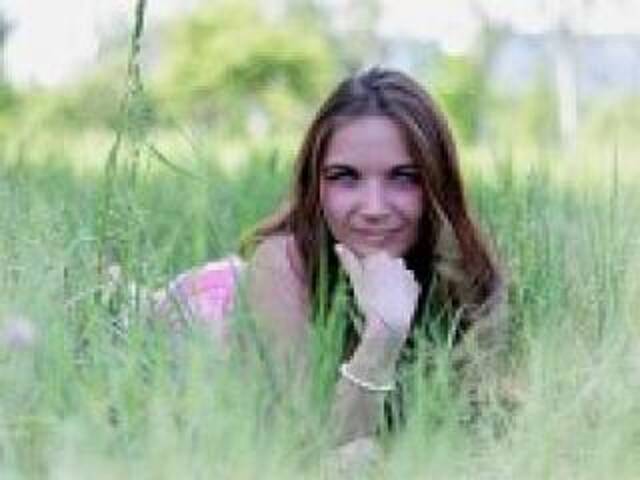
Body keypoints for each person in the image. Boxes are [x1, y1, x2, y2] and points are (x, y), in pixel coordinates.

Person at [155, 67, 507, 471]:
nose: (373, 208)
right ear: (315, 185)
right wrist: (384, 334)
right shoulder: (281, 264)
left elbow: (474, 420)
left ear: (437, 183)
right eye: (345, 177)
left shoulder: (468, 269)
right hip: (202, 308)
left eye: (404, 178)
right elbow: (304, 448)